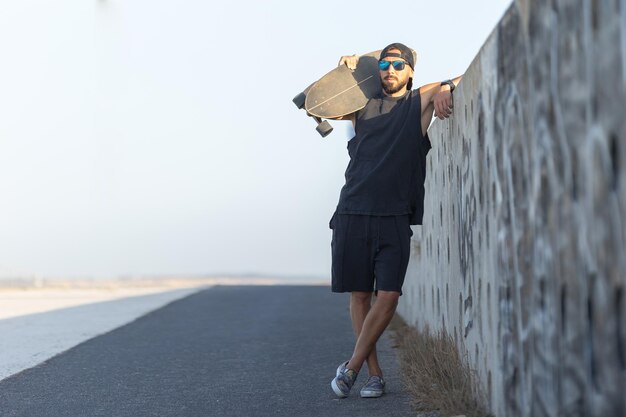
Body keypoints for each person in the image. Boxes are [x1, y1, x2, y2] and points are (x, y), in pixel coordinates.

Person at [327, 42, 461, 398]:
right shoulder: (359, 105)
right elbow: (316, 103)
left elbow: (465, 75)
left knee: (388, 295)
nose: (390, 69)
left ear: (410, 71)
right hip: (353, 210)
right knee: (360, 296)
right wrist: (349, 69)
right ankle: (373, 373)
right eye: (384, 63)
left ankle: (350, 367)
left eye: (398, 64)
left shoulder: (418, 103)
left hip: (395, 215)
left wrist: (447, 86)